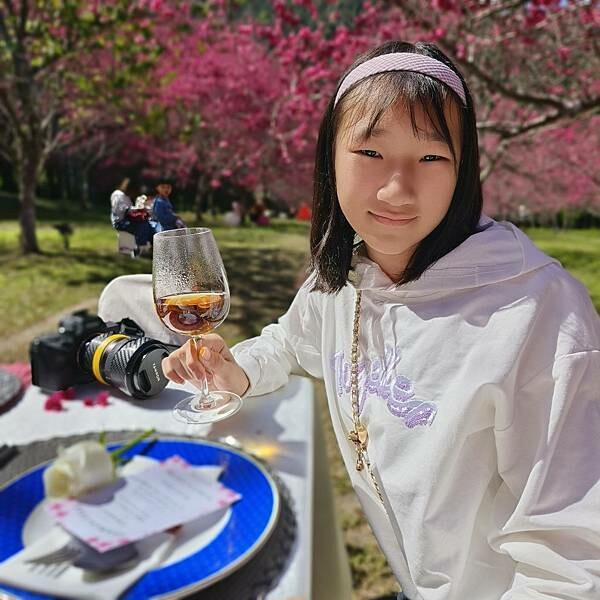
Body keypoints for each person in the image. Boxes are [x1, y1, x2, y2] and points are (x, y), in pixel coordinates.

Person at [161, 41, 600, 600]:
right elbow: (290, 342)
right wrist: (238, 371)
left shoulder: (541, 316)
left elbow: (572, 564)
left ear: (464, 170)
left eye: (431, 158)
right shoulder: (343, 279)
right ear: (331, 157)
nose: (397, 190)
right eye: (370, 152)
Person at [110, 178, 155, 248]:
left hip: (127, 219)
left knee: (148, 224)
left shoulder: (126, 196)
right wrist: (136, 209)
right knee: (142, 226)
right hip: (120, 222)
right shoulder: (118, 195)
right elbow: (121, 209)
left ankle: (149, 245)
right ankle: (141, 246)